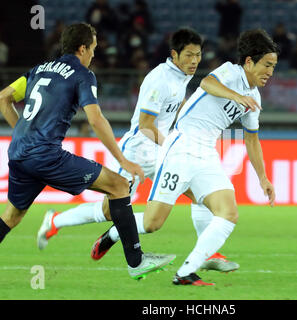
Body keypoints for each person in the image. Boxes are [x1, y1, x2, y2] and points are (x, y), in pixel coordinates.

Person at [38, 28, 239, 273]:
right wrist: (173, 146)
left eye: (198, 55)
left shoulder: (180, 76)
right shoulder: (160, 79)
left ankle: (208, 253)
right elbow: (145, 126)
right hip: (138, 153)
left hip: (162, 152)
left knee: (201, 193)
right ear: (174, 54)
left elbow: (174, 107)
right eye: (188, 55)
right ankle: (56, 220)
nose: (194, 61)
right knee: (108, 211)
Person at [0, 22, 174, 280]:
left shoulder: (38, 69)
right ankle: (136, 262)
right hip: (46, 156)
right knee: (118, 185)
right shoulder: (81, 74)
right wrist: (123, 159)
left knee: (12, 216)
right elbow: (96, 119)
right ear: (82, 48)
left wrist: (23, 134)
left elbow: (4, 97)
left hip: (18, 153)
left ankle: (135, 260)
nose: (94, 54)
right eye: (93, 48)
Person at [113, 28, 278, 286]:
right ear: (249, 62)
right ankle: (113, 233)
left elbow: (251, 139)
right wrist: (237, 96)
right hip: (180, 146)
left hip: (206, 153)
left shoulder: (254, 97)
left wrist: (263, 178)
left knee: (228, 212)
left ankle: (187, 271)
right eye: (267, 65)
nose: (270, 72)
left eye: (273, 66)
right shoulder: (230, 73)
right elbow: (206, 83)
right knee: (153, 222)